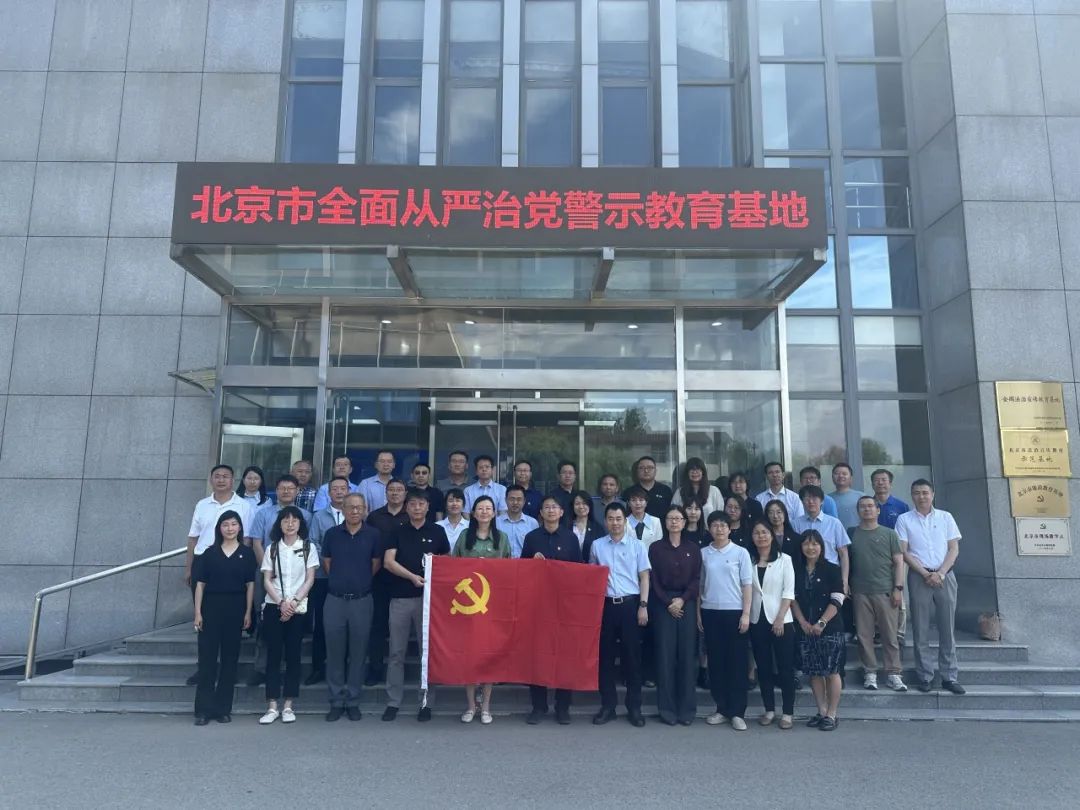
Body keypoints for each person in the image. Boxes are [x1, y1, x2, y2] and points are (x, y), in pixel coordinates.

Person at [382, 489, 451, 721]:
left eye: (421, 504)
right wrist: (412, 577)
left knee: (426, 653)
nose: (417, 508)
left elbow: (447, 561)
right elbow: (388, 562)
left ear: (428, 507)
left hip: (429, 601)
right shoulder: (397, 531)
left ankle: (426, 702)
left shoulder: (437, 531)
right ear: (407, 507)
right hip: (400, 598)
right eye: (412, 504)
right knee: (396, 652)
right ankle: (393, 701)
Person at [184, 465, 253, 685]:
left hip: (233, 565)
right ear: (211, 479)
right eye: (217, 476)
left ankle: (227, 670)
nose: (221, 480)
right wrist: (189, 567)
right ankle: (204, 668)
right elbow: (193, 538)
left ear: (233, 480)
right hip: (204, 564)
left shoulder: (243, 506)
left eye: (226, 476)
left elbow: (247, 538)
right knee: (203, 622)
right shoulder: (202, 505)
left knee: (231, 625)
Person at [895, 479, 964, 695]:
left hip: (945, 576)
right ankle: (925, 676)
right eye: (917, 493)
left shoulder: (946, 517)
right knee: (920, 628)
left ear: (933, 494)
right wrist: (925, 573)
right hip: (919, 577)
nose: (921, 496)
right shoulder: (904, 519)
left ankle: (949, 677)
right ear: (912, 496)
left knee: (947, 628)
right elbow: (903, 551)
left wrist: (940, 573)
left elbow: (953, 548)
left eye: (925, 492)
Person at [245, 475, 313, 687]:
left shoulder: (305, 515)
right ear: (276, 490)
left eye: (291, 488)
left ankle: (288, 670)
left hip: (296, 581)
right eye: (282, 488)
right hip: (267, 576)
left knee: (293, 625)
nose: (286, 491)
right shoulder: (263, 513)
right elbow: (257, 543)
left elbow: (307, 544)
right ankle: (262, 668)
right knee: (265, 623)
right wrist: (270, 569)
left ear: (297, 491)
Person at [521, 496, 584, 724]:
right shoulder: (531, 537)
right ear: (540, 512)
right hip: (538, 605)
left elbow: (579, 571)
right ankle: (538, 706)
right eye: (546, 507)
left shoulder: (570, 538)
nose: (550, 510)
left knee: (564, 655)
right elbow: (521, 571)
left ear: (561, 512)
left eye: (554, 507)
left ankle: (562, 707)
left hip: (563, 605)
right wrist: (533, 562)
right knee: (537, 655)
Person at [321, 492, 382, 722]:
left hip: (362, 600)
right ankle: (336, 701)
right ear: (343, 509)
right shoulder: (332, 534)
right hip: (335, 600)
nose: (355, 511)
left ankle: (353, 700)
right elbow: (327, 563)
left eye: (359, 507)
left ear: (365, 509)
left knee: (358, 652)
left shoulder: (373, 534)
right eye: (350, 507)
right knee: (334, 652)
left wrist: (359, 581)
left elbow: (375, 564)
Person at [589, 502, 651, 727]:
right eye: (611, 519)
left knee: (632, 658)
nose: (615, 523)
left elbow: (644, 577)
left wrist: (643, 605)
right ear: (605, 521)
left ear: (625, 521)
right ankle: (608, 706)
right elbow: (592, 575)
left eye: (618, 519)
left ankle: (634, 708)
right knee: (605, 658)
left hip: (630, 605)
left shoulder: (637, 546)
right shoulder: (597, 545)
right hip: (605, 606)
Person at [452, 495, 510, 724]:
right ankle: (470, 705)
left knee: (488, 655)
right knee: (470, 655)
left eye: (488, 508)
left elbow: (509, 569)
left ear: (494, 513)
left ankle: (486, 706)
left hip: (492, 606)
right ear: (473, 513)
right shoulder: (464, 537)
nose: (484, 512)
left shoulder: (502, 538)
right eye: (480, 508)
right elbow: (453, 566)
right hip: (468, 607)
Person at [193, 510, 254, 725]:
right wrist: (197, 612)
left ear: (240, 527)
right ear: (219, 528)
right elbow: (200, 585)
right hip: (211, 608)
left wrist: (248, 612)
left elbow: (250, 585)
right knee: (207, 660)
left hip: (235, 608)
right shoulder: (209, 553)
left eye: (234, 524)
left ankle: (222, 709)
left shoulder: (247, 553)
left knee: (230, 660)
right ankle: (203, 710)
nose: (230, 528)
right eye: (225, 524)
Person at [258, 506, 318, 725]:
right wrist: (281, 603)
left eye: (294, 520)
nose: (290, 524)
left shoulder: (308, 547)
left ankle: (288, 705)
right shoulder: (272, 548)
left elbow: (310, 579)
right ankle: (272, 706)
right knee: (273, 655)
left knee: (293, 656)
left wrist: (293, 602)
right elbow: (267, 580)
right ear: (279, 524)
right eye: (286, 520)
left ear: (301, 523)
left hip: (297, 608)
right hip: (274, 606)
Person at [698, 510, 752, 731]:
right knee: (717, 663)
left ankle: (737, 712)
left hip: (735, 612)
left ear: (730, 529)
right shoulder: (703, 553)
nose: (719, 529)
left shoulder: (740, 553)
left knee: (737, 663)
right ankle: (721, 708)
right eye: (715, 525)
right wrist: (698, 613)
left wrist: (746, 614)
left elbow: (747, 585)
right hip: (710, 612)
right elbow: (700, 586)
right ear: (709, 529)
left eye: (723, 525)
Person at [649, 506, 702, 726]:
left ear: (684, 522)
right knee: (665, 657)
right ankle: (667, 709)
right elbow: (652, 579)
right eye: (670, 518)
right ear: (665, 522)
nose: (674, 522)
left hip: (687, 603)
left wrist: (683, 599)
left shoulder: (693, 548)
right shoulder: (655, 548)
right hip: (663, 604)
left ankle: (687, 709)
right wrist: (668, 602)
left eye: (678, 518)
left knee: (687, 657)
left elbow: (697, 578)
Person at [849, 496, 907, 692]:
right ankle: (870, 672)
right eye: (862, 507)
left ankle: (893, 673)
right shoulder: (852, 533)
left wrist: (898, 588)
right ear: (858, 511)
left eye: (870, 506)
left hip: (885, 591)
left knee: (890, 635)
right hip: (860, 591)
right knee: (864, 635)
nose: (867, 509)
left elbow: (899, 562)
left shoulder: (889, 534)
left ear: (878, 510)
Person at [791, 530, 846, 731]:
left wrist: (822, 623)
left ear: (821, 547)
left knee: (832, 671)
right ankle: (821, 711)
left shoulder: (832, 569)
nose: (810, 548)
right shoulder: (796, 570)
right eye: (806, 544)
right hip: (806, 628)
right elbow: (792, 598)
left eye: (815, 544)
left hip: (830, 628)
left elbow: (838, 598)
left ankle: (832, 713)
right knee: (814, 672)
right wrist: (802, 622)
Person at [747, 519, 796, 729]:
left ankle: (788, 713)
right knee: (764, 667)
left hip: (781, 620)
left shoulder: (785, 560)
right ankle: (769, 709)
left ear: (772, 535)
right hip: (757, 619)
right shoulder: (749, 560)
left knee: (785, 668)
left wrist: (779, 618)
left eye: (765, 532)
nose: (761, 536)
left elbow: (789, 592)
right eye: (757, 533)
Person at [304, 476, 352, 686]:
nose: (339, 492)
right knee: (322, 624)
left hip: (350, 578)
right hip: (324, 577)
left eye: (343, 488)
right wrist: (329, 562)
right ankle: (318, 667)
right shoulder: (319, 516)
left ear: (349, 491)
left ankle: (344, 668)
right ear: (329, 493)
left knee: (347, 624)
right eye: (335, 489)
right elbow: (313, 542)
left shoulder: (356, 515)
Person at [363, 478, 409, 687]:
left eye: (399, 490)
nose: (395, 493)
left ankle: (400, 670)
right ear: (386, 493)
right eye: (392, 490)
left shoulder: (411, 515)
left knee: (403, 627)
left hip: (405, 578)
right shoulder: (374, 517)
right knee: (378, 624)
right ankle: (375, 668)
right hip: (379, 577)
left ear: (405, 494)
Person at [871, 467, 910, 639]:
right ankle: (878, 630)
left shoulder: (901, 506)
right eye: (876, 480)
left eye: (884, 480)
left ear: (890, 484)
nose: (880, 483)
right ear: (872, 484)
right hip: (874, 556)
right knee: (876, 593)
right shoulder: (868, 504)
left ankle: (899, 631)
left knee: (898, 591)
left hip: (897, 555)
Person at [790, 486, 849, 598]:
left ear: (822, 501)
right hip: (805, 574)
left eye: (814, 498)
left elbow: (843, 554)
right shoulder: (795, 524)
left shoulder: (834, 523)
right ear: (801, 501)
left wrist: (844, 581)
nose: (811, 501)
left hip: (830, 573)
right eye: (807, 498)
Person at [499, 484, 539, 558]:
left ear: (524, 501)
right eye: (512, 499)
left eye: (519, 499)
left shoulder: (533, 523)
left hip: (525, 563)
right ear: (505, 500)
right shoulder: (496, 522)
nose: (515, 502)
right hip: (503, 563)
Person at [569, 489, 605, 562]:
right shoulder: (566, 527)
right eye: (577, 504)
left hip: (590, 567)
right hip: (569, 566)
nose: (581, 507)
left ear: (590, 505)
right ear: (572, 506)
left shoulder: (598, 528)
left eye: (584, 503)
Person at [764, 499, 803, 564]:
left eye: (779, 512)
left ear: (784, 514)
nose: (775, 516)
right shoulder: (764, 537)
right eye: (771, 513)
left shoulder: (796, 538)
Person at [829, 462, 864, 530]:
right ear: (832, 477)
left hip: (857, 534)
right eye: (837, 473)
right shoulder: (826, 499)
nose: (840, 476)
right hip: (833, 534)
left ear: (851, 478)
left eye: (844, 474)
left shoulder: (861, 497)